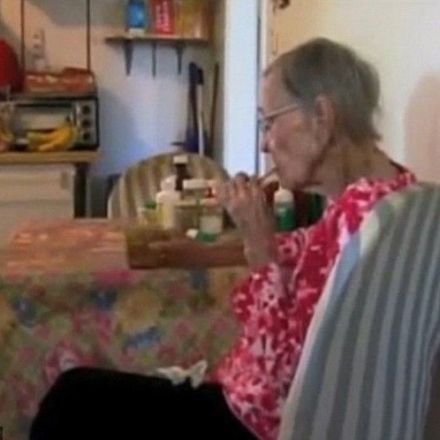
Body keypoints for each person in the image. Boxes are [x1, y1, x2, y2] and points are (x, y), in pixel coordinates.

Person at [30, 38, 416, 440]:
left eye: (269, 123)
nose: (264, 142)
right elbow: (303, 247)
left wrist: (259, 245)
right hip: (284, 410)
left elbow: (278, 378)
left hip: (259, 424)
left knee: (72, 396)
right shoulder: (396, 198)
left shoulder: (357, 219)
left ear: (321, 116)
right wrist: (203, 251)